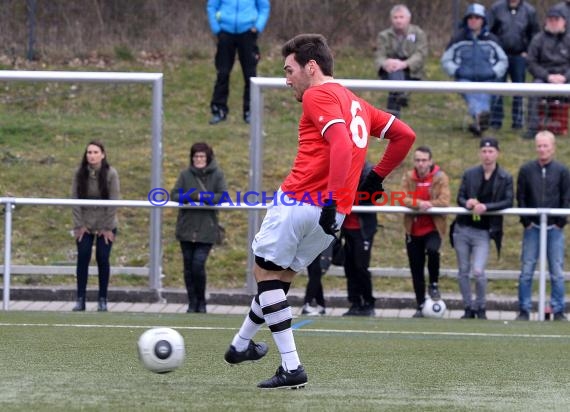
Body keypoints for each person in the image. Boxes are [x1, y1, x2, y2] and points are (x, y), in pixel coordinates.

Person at [223, 33, 415, 389]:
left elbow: (340, 143)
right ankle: (240, 345)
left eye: (289, 69)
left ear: (311, 67)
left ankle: (291, 367)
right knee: (276, 280)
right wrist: (374, 177)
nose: (287, 78)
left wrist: (331, 194)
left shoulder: (317, 94)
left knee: (263, 274)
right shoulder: (356, 102)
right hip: (333, 217)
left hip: (302, 202)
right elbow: (404, 134)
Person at [452, 137, 513, 320]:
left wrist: (487, 207)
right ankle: (468, 307)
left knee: (478, 271)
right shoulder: (470, 173)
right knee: (463, 270)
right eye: (484, 151)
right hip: (463, 228)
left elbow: (508, 201)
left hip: (484, 231)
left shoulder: (505, 177)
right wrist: (468, 202)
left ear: (497, 153)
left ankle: (481, 305)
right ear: (480, 153)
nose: (487, 155)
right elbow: (460, 197)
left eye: (491, 151)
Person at [516, 131, 570, 321]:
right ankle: (524, 309)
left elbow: (566, 197)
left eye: (546, 146)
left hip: (554, 230)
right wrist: (526, 221)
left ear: (553, 147)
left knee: (556, 271)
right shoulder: (526, 170)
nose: (542, 149)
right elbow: (520, 197)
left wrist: (560, 223)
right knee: (527, 270)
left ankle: (558, 310)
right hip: (533, 229)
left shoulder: (562, 171)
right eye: (539, 145)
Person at [170, 142, 228, 313]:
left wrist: (205, 197)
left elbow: (223, 195)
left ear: (208, 158)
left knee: (198, 264)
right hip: (187, 227)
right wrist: (193, 196)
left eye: (202, 156)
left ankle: (201, 301)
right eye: (196, 156)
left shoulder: (217, 174)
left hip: (207, 227)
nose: (199, 160)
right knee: (188, 267)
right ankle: (192, 302)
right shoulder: (185, 174)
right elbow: (174, 194)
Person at [441, 3, 508, 137]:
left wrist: (494, 72)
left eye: (477, 17)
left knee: (484, 95)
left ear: (483, 20)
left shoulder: (492, 40)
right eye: (470, 17)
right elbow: (446, 60)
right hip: (465, 79)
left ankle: (479, 122)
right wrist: (456, 71)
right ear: (466, 20)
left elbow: (503, 60)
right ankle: (481, 118)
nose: (473, 20)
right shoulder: (458, 39)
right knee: (472, 96)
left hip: (488, 79)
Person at [400, 146, 450, 318]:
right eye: (418, 160)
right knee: (416, 268)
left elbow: (445, 200)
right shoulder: (408, 176)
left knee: (433, 251)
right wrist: (419, 203)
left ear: (430, 161)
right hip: (413, 229)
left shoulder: (440, 177)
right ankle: (421, 304)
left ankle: (434, 284)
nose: (420, 164)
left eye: (424, 160)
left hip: (433, 227)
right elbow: (402, 198)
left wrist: (430, 205)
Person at [71, 140, 120, 312]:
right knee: (83, 257)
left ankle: (102, 299)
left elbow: (114, 201)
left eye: (95, 152)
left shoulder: (111, 173)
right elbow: (75, 201)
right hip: (84, 224)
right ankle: (80, 299)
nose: (91, 155)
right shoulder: (79, 173)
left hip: (106, 224)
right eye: (89, 152)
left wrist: (106, 228)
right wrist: (79, 225)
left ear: (103, 154)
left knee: (103, 258)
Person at [206, 0, 271, 125]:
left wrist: (257, 27)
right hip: (225, 32)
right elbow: (212, 6)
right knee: (222, 74)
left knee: (250, 75)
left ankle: (250, 112)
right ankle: (219, 110)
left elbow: (264, 7)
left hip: (248, 33)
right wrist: (216, 29)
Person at [487, 0, 540, 130]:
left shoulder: (530, 10)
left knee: (519, 89)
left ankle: (517, 122)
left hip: (519, 56)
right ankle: (495, 121)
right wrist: (494, 50)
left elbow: (534, 34)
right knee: (497, 88)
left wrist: (528, 51)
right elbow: (489, 32)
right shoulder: (496, 8)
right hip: (499, 56)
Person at [374, 4, 428, 118]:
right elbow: (379, 55)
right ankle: (401, 94)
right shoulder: (383, 36)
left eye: (401, 17)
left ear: (408, 18)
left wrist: (404, 64)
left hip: (411, 70)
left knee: (395, 85)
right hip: (391, 70)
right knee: (395, 72)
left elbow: (421, 54)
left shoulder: (418, 33)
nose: (398, 20)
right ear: (391, 19)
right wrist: (385, 63)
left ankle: (392, 120)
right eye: (395, 17)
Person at [524, 7, 570, 139]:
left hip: (565, 79)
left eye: (557, 20)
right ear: (546, 22)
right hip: (544, 78)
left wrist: (565, 77)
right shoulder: (538, 39)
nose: (554, 22)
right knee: (534, 90)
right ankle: (533, 128)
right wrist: (547, 76)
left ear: (564, 22)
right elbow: (531, 63)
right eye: (551, 19)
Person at [341, 162, 378, 317]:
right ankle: (355, 302)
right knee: (349, 267)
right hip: (347, 228)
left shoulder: (369, 171)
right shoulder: (342, 168)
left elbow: (371, 195)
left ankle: (368, 303)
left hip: (362, 230)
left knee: (361, 267)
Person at [301, 242, 334, 316]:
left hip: (322, 241)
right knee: (314, 274)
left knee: (315, 273)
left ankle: (307, 303)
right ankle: (321, 305)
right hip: (312, 242)